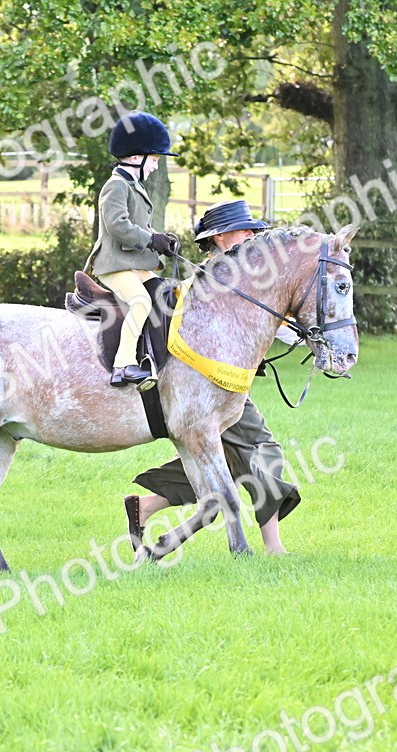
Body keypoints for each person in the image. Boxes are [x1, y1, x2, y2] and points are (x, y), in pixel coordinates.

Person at [123, 199, 300, 554]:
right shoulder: (211, 279)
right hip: (208, 387)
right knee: (261, 452)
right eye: (244, 230)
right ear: (219, 238)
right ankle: (272, 546)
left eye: (253, 230)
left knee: (223, 460)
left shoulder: (243, 279)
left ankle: (146, 508)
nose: (252, 235)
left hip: (226, 387)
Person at [84, 111, 179, 389]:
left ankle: (157, 356)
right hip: (114, 265)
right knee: (140, 301)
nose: (155, 167)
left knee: (172, 295)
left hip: (135, 265)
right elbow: (118, 226)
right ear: (137, 158)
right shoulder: (115, 186)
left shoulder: (132, 184)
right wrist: (151, 239)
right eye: (155, 160)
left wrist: (162, 241)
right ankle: (123, 365)